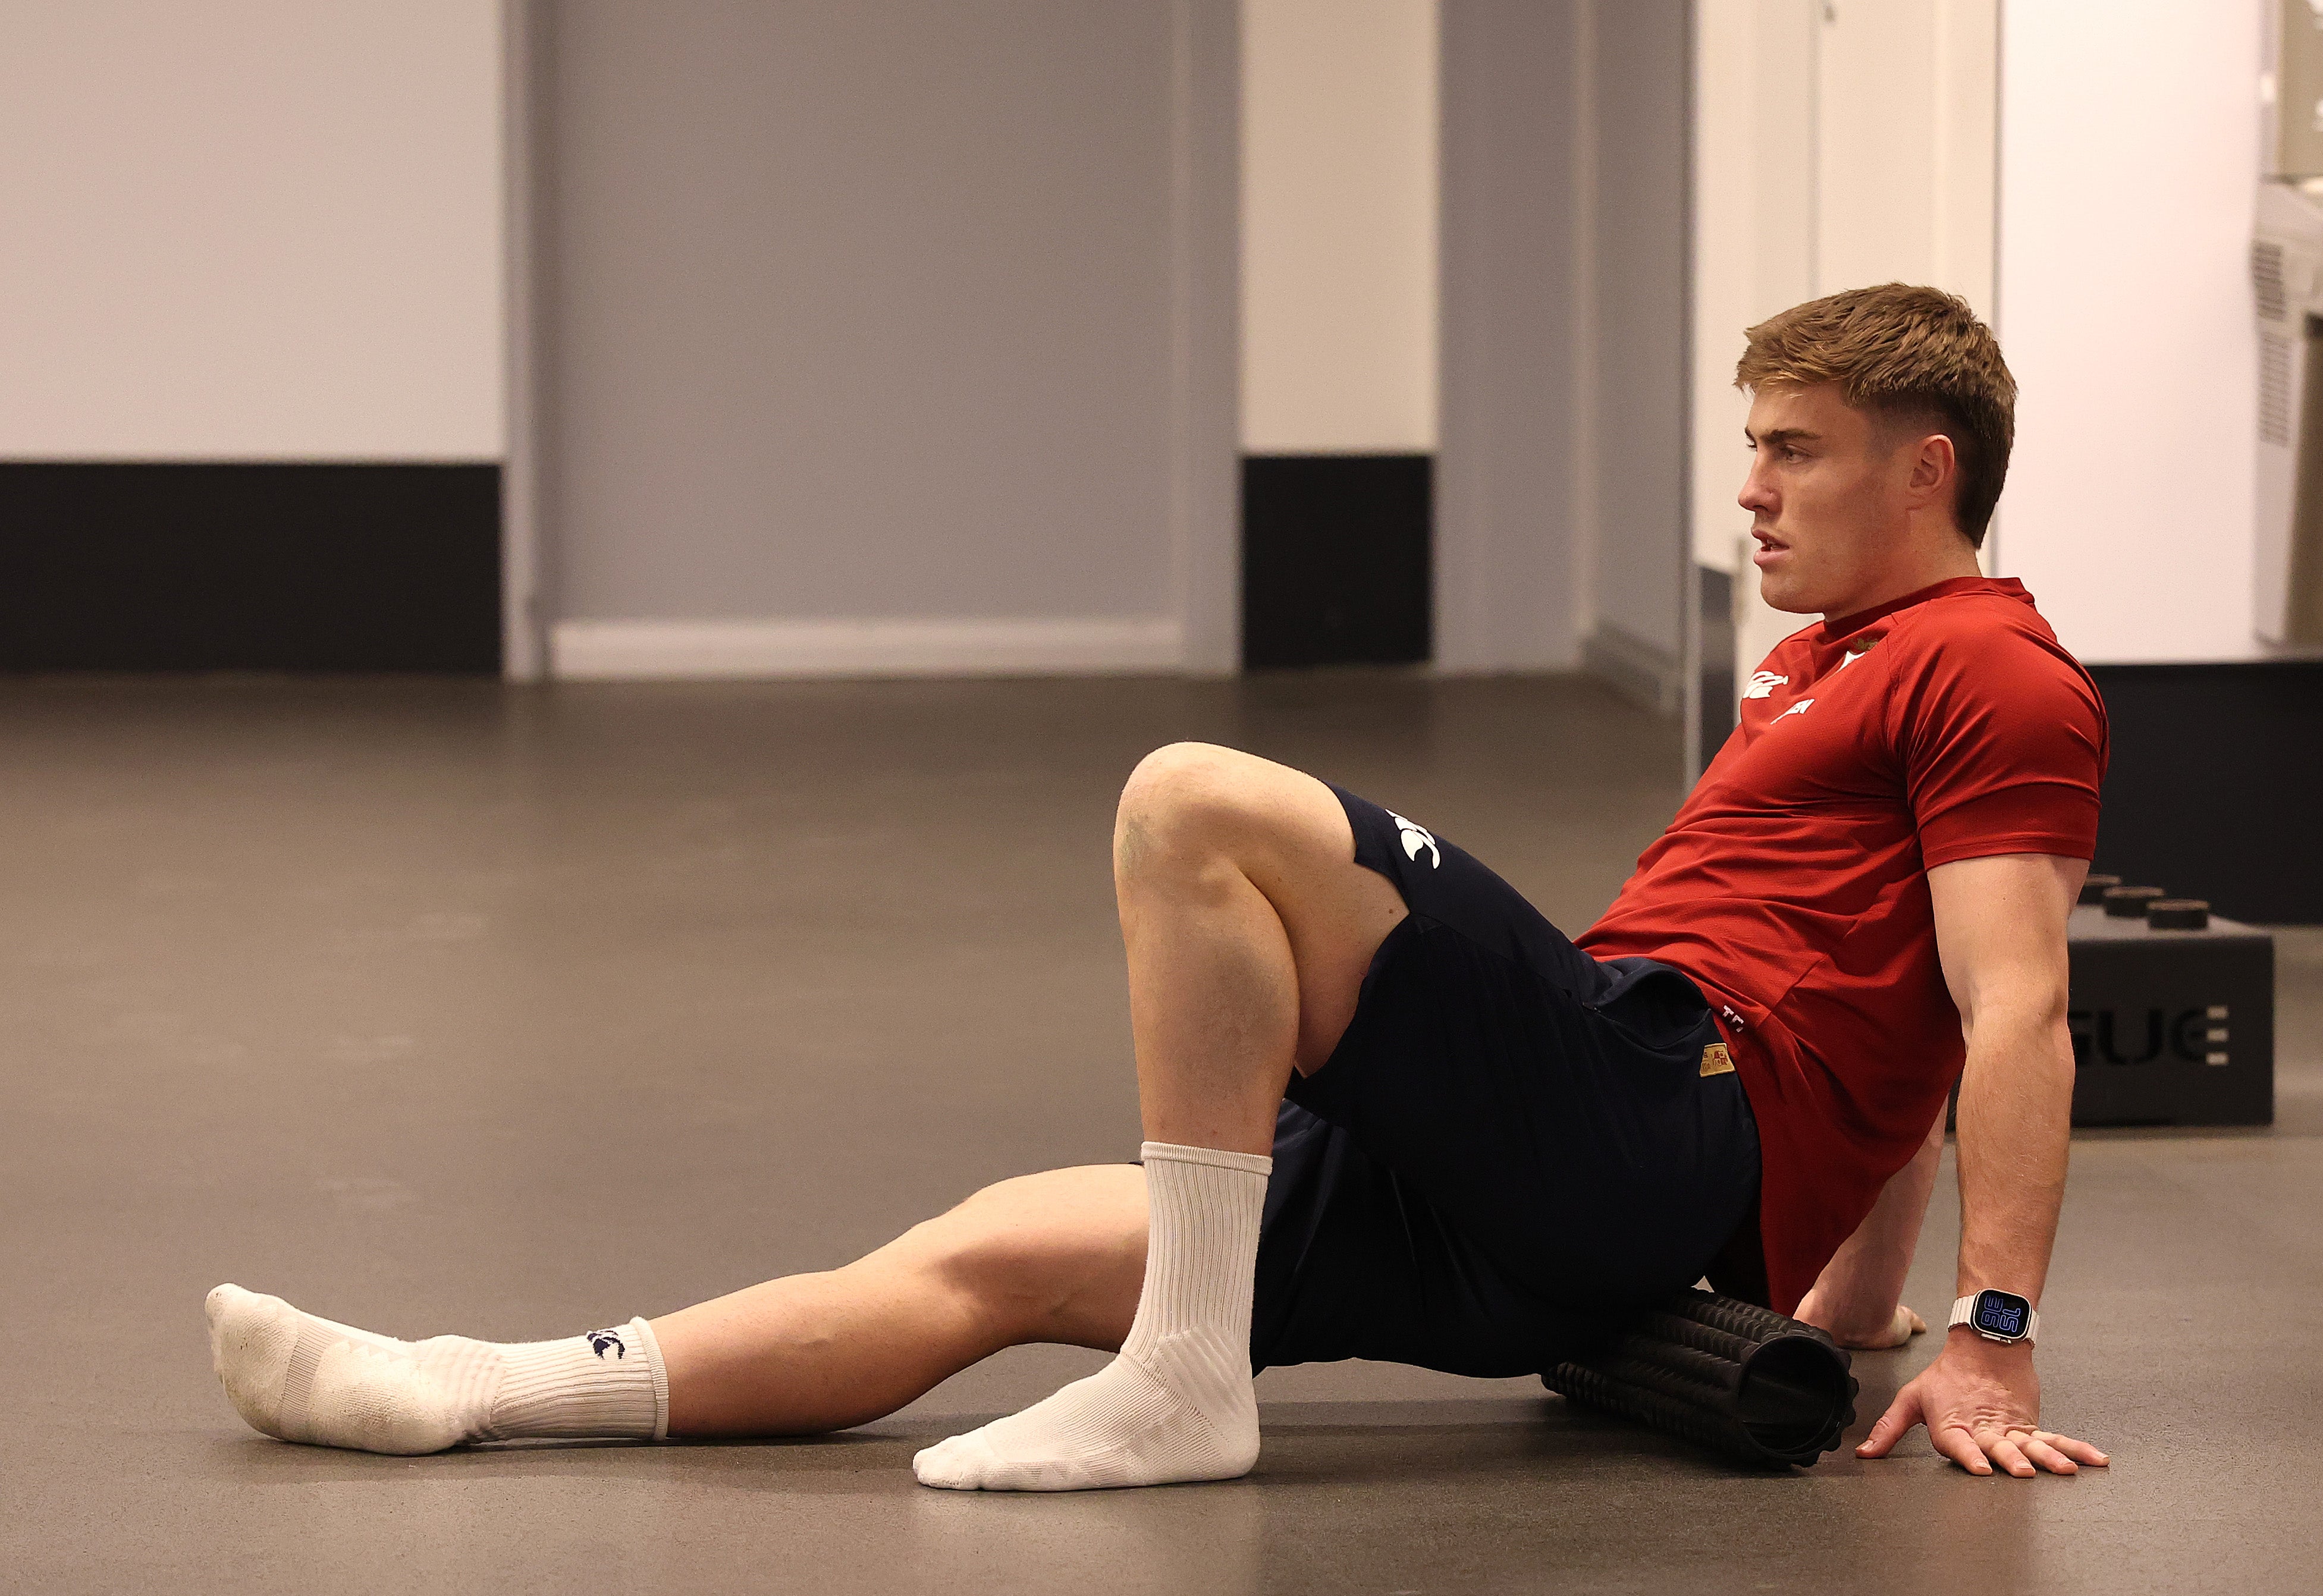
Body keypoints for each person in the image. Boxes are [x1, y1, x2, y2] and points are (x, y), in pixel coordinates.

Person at [205, 283, 2111, 1485]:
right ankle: (477, 1387)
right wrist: (1850, 1297)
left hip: (1649, 1097)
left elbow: (2005, 999)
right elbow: (1904, 1001)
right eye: (1751, 450)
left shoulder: (1989, 668)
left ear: (1925, 467)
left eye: (1793, 454)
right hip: (1582, 1187)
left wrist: (1987, 1332)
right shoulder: (1820, 659)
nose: (1752, 493)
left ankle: (1188, 1373)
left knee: (1194, 799)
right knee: (996, 1250)